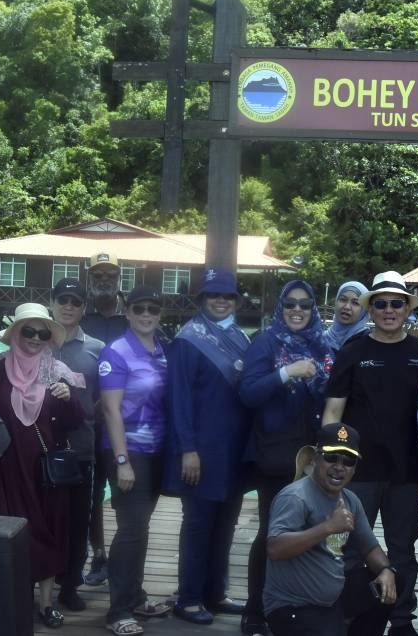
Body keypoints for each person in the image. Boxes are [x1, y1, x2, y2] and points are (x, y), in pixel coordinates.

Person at [322, 270, 418, 636]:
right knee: (348, 547)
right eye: (382, 303)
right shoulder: (353, 350)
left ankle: (401, 620)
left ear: (408, 309)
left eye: (397, 303)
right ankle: (347, 614)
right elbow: (333, 411)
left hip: (406, 470)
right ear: (370, 309)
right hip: (357, 470)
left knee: (402, 548)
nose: (390, 310)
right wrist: (327, 462)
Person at [241, 280, 335, 636]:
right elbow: (248, 393)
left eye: (306, 305)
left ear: (314, 309)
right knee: (272, 531)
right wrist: (286, 373)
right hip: (275, 453)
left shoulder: (322, 344)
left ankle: (294, 606)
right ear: (280, 307)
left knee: (310, 531)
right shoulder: (266, 341)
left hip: (314, 454)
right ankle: (254, 611)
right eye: (291, 304)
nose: (298, 310)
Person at [0, 303, 85, 628]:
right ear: (16, 333)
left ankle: (45, 603)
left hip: (46, 470)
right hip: (7, 468)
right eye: (28, 330)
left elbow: (75, 421)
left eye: (43, 333)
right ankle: (18, 598)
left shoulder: (57, 371)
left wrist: (68, 395)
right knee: (17, 532)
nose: (35, 338)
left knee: (50, 530)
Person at [164, 267, 252, 625]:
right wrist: (187, 449)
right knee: (198, 525)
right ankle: (188, 598)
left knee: (225, 526)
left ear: (235, 301)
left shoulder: (243, 340)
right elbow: (179, 399)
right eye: (213, 295)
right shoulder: (188, 339)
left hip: (233, 454)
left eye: (227, 295)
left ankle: (216, 593)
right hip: (199, 454)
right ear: (202, 299)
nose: (220, 300)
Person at [264, 423, 397, 636]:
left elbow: (370, 547)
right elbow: (275, 549)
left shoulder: (350, 500)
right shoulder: (295, 497)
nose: (339, 466)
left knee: (390, 584)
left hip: (331, 603)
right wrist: (327, 527)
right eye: (331, 458)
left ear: (354, 468)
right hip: (293, 607)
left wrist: (386, 571)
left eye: (348, 461)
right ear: (315, 458)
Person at [99, 286, 171, 636]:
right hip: (128, 452)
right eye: (139, 309)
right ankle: (118, 611)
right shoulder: (117, 352)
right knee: (130, 531)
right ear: (127, 313)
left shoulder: (161, 349)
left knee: (140, 530)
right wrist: (122, 459)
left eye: (153, 309)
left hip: (157, 453)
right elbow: (111, 410)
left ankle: (137, 595)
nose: (146, 314)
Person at [49, 278, 105, 612]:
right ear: (52, 302)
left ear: (84, 308)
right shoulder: (37, 338)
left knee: (77, 519)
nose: (68, 307)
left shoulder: (96, 347)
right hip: (40, 445)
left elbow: (106, 396)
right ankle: (40, 578)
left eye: (75, 301)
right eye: (63, 300)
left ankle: (70, 584)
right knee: (42, 517)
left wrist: (88, 416)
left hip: (81, 446)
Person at [80, 251, 129, 587]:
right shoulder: (80, 315)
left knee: (127, 494)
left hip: (127, 424)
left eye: (109, 273)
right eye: (98, 274)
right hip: (88, 422)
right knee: (92, 495)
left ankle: (125, 556)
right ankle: (98, 555)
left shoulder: (134, 316)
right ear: (90, 277)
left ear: (119, 276)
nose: (103, 279)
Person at [322, 281, 370, 352]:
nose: (347, 307)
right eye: (343, 300)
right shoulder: (320, 340)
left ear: (364, 310)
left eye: (355, 303)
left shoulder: (369, 344)